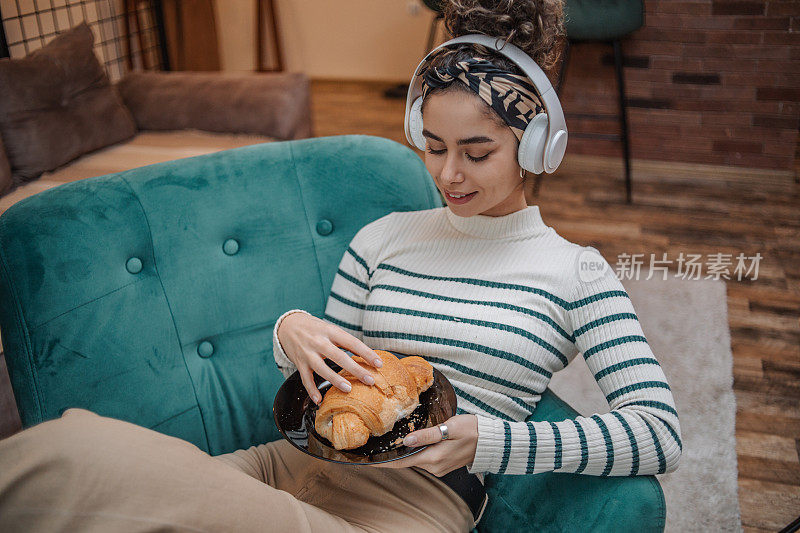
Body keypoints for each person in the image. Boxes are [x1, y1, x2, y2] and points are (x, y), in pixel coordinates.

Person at [0, 1, 681, 532]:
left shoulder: (576, 273)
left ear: (535, 147)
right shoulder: (383, 237)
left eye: (477, 151)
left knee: (78, 482)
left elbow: (658, 430)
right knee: (70, 447)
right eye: (434, 145)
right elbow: (333, 377)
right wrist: (291, 331)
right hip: (281, 466)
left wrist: (493, 442)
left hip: (410, 508)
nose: (448, 173)